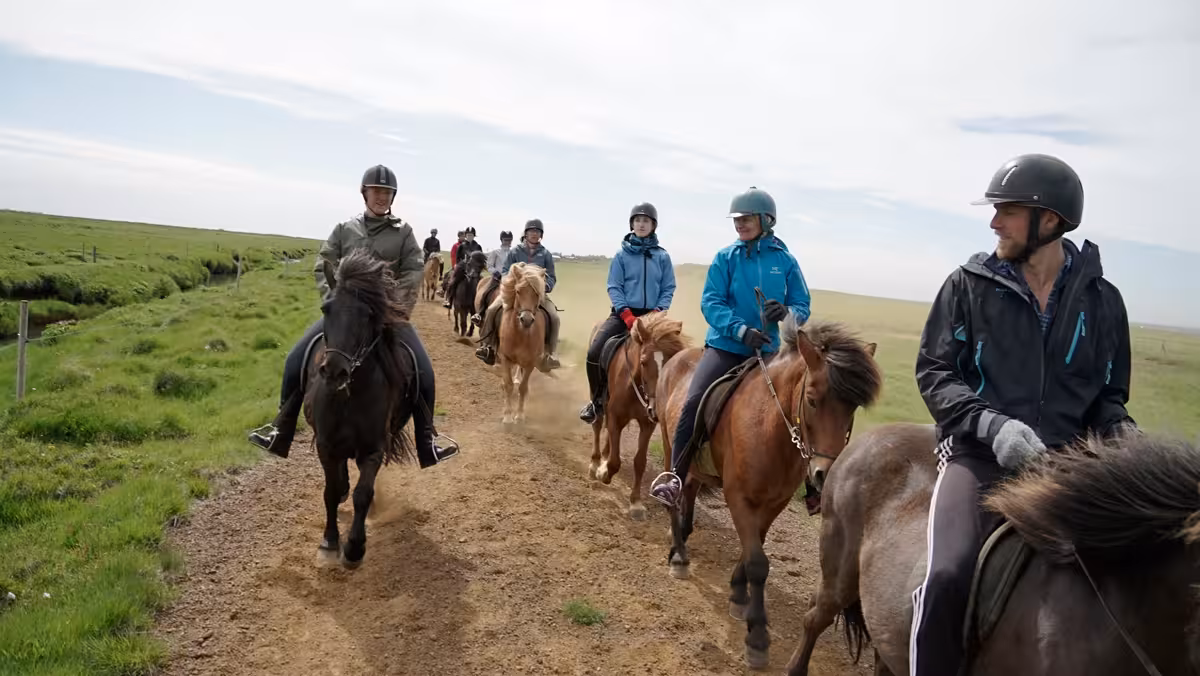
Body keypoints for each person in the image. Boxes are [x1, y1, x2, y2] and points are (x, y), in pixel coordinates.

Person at [908, 153, 1136, 676]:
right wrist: (993, 425)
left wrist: (1120, 430)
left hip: (1068, 464)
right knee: (947, 575)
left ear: (1048, 219)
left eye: (1006, 211)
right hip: (978, 455)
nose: (993, 223)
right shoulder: (966, 284)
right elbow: (935, 373)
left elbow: (1107, 395)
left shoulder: (1104, 302)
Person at [246, 164, 460, 469]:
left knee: (422, 368)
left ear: (392, 197)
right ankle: (281, 428)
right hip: (346, 314)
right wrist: (335, 301)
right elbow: (324, 263)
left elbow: (414, 271)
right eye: (376, 192)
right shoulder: (345, 229)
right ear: (365, 194)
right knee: (295, 357)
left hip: (387, 316)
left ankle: (427, 441)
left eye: (387, 193)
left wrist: (396, 308)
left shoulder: (404, 233)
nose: (381, 197)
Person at [649, 187, 811, 506]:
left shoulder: (786, 261)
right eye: (736, 219)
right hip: (725, 347)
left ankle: (811, 485)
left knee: (803, 404)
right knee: (693, 401)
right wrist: (740, 330)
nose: (739, 224)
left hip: (769, 351)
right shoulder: (726, 258)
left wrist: (789, 314)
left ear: (766, 220)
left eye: (746, 218)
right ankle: (676, 477)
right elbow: (711, 301)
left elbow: (802, 302)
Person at [579, 202, 676, 424]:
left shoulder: (662, 256)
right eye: (638, 220)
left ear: (653, 226)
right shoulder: (621, 254)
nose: (642, 224)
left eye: (646, 221)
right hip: (624, 316)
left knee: (672, 355)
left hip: (653, 317)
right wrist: (627, 316)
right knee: (594, 353)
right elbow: (614, 286)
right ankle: (597, 402)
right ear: (632, 224)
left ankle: (665, 403)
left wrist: (658, 313)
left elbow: (668, 287)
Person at [474, 219, 561, 371]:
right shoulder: (515, 251)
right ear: (526, 234)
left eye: (537, 232)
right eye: (531, 231)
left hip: (536, 294)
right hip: (516, 292)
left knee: (554, 317)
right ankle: (488, 347)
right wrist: (513, 283)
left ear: (541, 235)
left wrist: (546, 286)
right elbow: (506, 270)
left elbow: (552, 276)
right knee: (492, 309)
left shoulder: (546, 254)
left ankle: (551, 354)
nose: (534, 234)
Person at [473, 230, 514, 320]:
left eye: (509, 240)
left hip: (511, 279)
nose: (507, 242)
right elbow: (489, 266)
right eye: (505, 240)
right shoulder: (495, 252)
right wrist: (496, 272)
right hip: (497, 278)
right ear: (501, 240)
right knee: (487, 292)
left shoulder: (514, 253)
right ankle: (480, 313)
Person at [444, 227, 484, 308]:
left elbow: (481, 259)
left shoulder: (478, 246)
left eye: (471, 235)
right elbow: (458, 258)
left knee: (482, 284)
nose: (470, 236)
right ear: (466, 235)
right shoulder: (461, 246)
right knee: (453, 281)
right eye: (468, 235)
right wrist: (459, 266)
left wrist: (478, 268)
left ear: (474, 236)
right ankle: (449, 300)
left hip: (475, 270)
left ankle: (481, 305)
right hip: (463, 269)